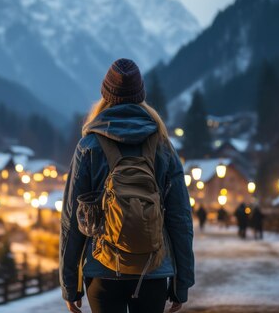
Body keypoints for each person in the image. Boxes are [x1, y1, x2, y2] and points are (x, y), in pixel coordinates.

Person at [59, 59, 195, 313]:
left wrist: (70, 285)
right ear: (141, 96)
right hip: (153, 270)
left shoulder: (88, 147)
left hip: (102, 271)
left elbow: (71, 221)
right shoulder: (163, 146)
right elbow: (180, 219)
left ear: (105, 96)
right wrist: (182, 283)